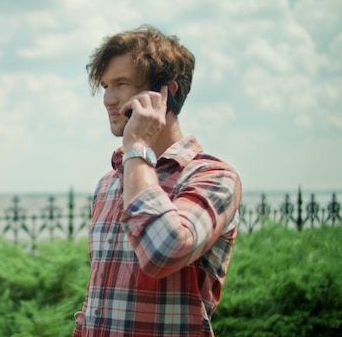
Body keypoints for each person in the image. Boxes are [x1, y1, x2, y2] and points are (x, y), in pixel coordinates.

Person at [73, 25, 242, 337]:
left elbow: (163, 252)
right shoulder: (109, 184)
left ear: (166, 94)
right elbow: (97, 298)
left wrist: (137, 146)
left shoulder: (213, 178)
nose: (108, 99)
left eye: (121, 84)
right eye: (105, 85)